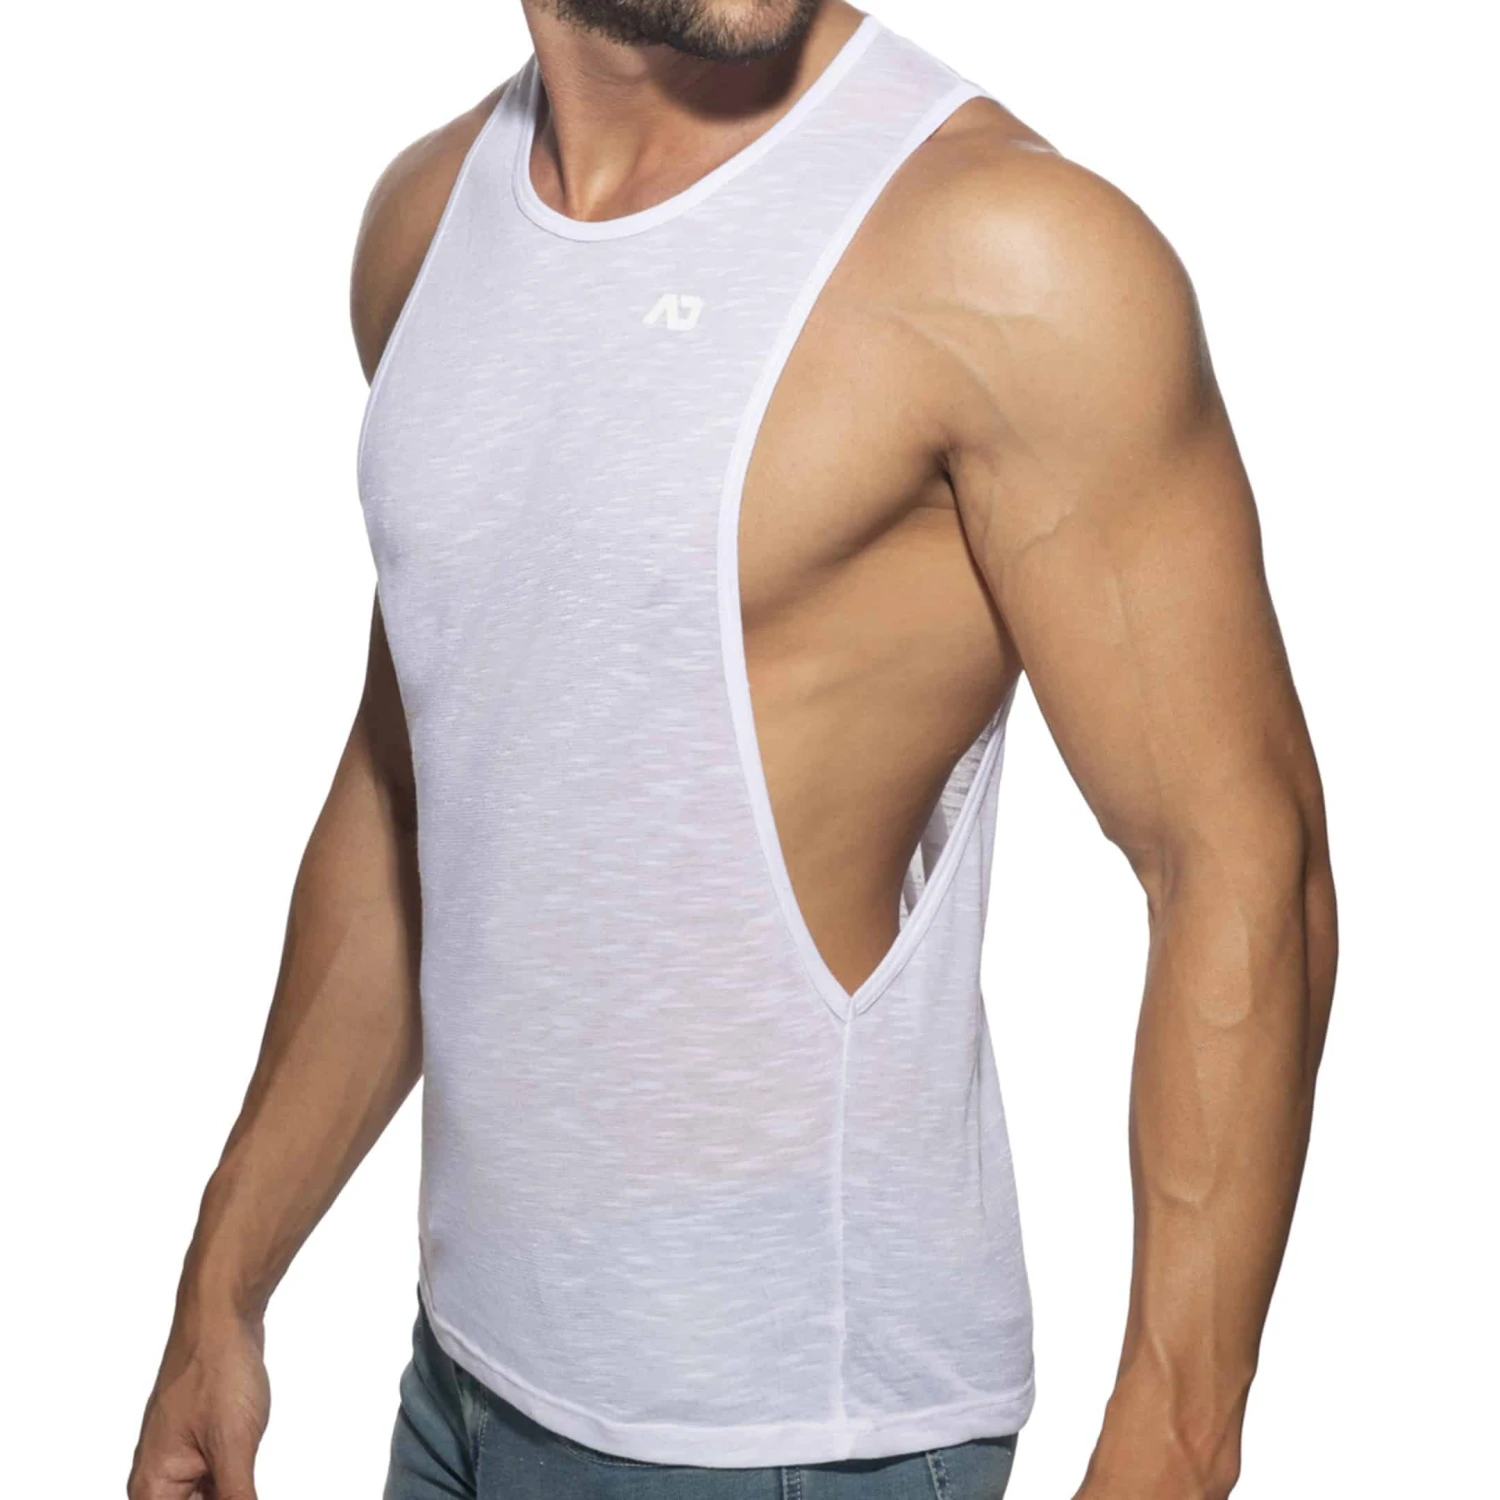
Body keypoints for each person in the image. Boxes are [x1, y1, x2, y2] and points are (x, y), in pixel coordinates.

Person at [127, 0, 1338, 1495]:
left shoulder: (1001, 250)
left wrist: (1172, 1446)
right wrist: (226, 1277)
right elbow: (422, 797)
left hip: (793, 1441)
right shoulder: (427, 228)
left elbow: (1239, 858)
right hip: (459, 1386)